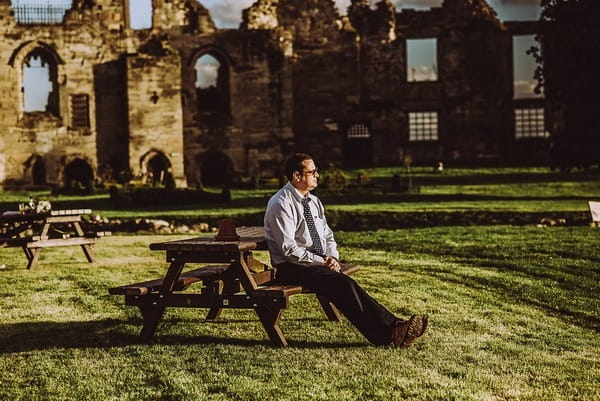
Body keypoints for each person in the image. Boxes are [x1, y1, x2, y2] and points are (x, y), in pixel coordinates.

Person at [264, 153, 428, 347]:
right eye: (312, 171)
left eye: (317, 171)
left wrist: (332, 257)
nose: (317, 175)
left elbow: (327, 235)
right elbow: (288, 250)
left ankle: (394, 329)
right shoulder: (281, 204)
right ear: (296, 176)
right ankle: (392, 331)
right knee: (342, 284)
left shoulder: (314, 202)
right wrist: (323, 261)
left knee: (343, 283)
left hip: (315, 263)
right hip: (292, 267)